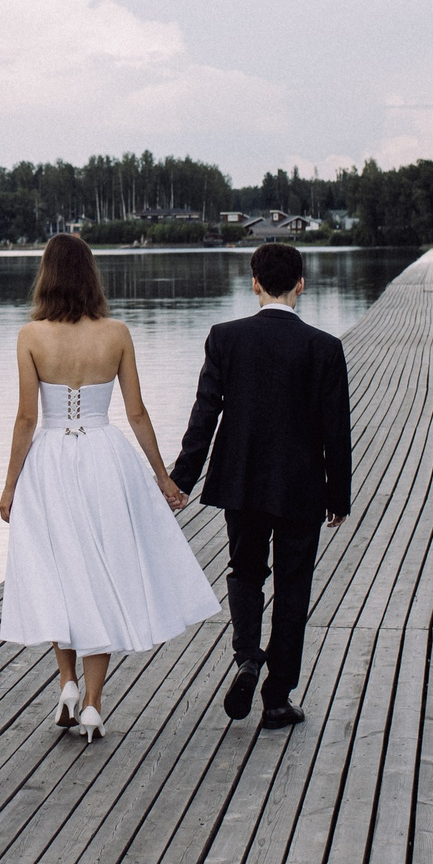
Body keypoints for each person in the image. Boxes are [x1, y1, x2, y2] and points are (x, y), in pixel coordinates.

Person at [0, 235, 221, 742]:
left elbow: (27, 418)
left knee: (61, 571)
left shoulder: (30, 336)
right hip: (105, 458)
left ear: (47, 276)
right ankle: (94, 705)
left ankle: (67, 682)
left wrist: (10, 486)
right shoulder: (117, 333)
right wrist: (163, 477)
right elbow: (136, 412)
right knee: (101, 574)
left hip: (51, 462)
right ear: (91, 276)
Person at [168, 242, 353, 730]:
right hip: (301, 487)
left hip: (242, 481)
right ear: (300, 285)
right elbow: (336, 429)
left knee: (245, 571)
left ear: (254, 284)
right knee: (294, 587)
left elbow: (205, 413)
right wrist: (338, 494)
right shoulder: (324, 347)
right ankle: (276, 698)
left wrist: (181, 480)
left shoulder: (225, 338)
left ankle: (248, 656)